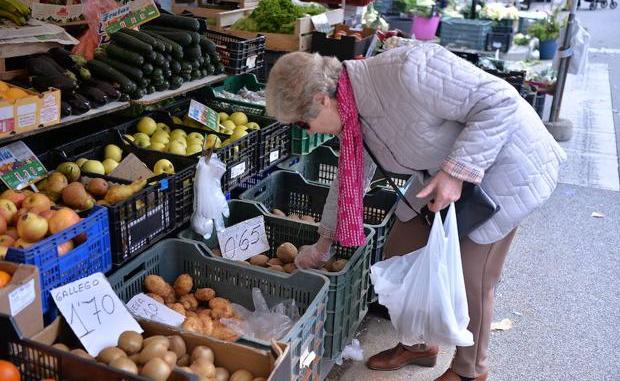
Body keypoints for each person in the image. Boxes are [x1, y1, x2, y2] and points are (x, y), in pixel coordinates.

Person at [265, 44, 566, 381]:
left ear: (322, 99)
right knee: (401, 248)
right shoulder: (351, 113)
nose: (307, 131)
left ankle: (471, 370)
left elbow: (501, 101)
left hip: (507, 164)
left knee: (472, 276)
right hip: (441, 171)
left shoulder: (409, 70)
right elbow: (349, 177)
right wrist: (324, 242)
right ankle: (420, 345)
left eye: (303, 123)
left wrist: (455, 173)